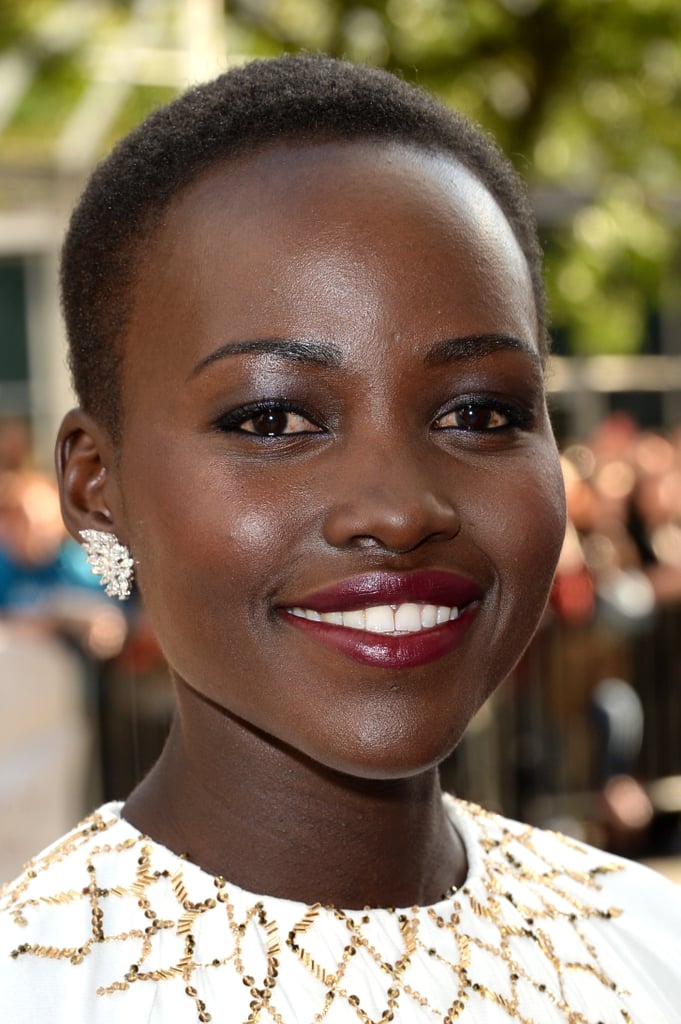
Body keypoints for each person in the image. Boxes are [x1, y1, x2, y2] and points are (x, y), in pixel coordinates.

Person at [1, 54, 680, 1023]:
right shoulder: (37, 991)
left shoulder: (651, 946)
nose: (397, 508)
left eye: (480, 413)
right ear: (93, 486)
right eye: (273, 420)